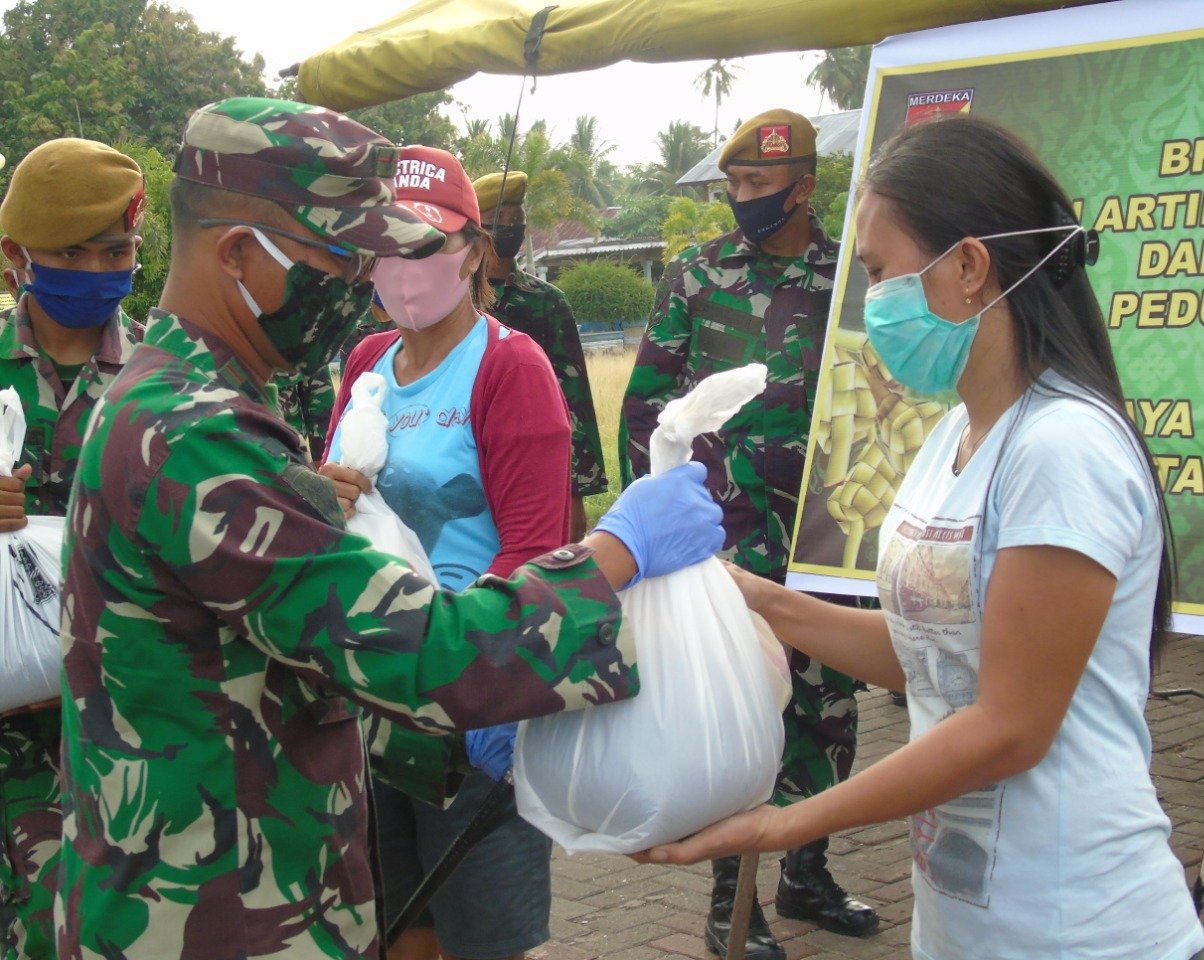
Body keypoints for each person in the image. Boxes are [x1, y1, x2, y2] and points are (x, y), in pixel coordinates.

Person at [55, 97, 722, 960]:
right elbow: (415, 648)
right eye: (340, 258)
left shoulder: (179, 394)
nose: (356, 286)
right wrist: (618, 550)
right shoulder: (194, 434)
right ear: (236, 256)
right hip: (210, 911)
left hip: (219, 875)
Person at [637, 116, 1204, 960]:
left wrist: (784, 823)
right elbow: (930, 654)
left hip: (1079, 927)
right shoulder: (955, 435)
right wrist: (756, 600)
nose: (871, 304)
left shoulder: (1063, 449)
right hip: (964, 927)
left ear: (969, 266)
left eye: (879, 272)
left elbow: (1009, 725)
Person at [620, 109, 876, 959]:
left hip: (826, 539)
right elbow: (645, 408)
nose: (741, 199)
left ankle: (809, 872)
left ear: (803, 187)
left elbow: (881, 402)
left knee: (828, 715)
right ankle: (735, 903)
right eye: (733, 185)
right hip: (727, 545)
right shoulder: (697, 275)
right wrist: (651, 534)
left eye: (757, 186)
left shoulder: (850, 278)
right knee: (742, 720)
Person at [323, 145, 571, 960]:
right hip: (375, 686)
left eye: (425, 246)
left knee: (484, 933)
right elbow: (342, 507)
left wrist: (484, 692)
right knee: (397, 920)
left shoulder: (509, 367)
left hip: (467, 702)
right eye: (388, 246)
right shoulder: (367, 362)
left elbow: (536, 549)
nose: (405, 270)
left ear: (473, 253)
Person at [0, 137, 147, 960]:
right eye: (69, 252)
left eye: (116, 250)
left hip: (129, 736)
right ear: (14, 254)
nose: (95, 270)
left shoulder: (168, 379)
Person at [472, 170, 608, 540]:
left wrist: (577, 492)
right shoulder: (452, 299)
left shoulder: (546, 302)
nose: (510, 229)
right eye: (499, 221)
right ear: (476, 228)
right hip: (466, 464)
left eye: (517, 221)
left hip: (534, 465)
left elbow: (574, 400)